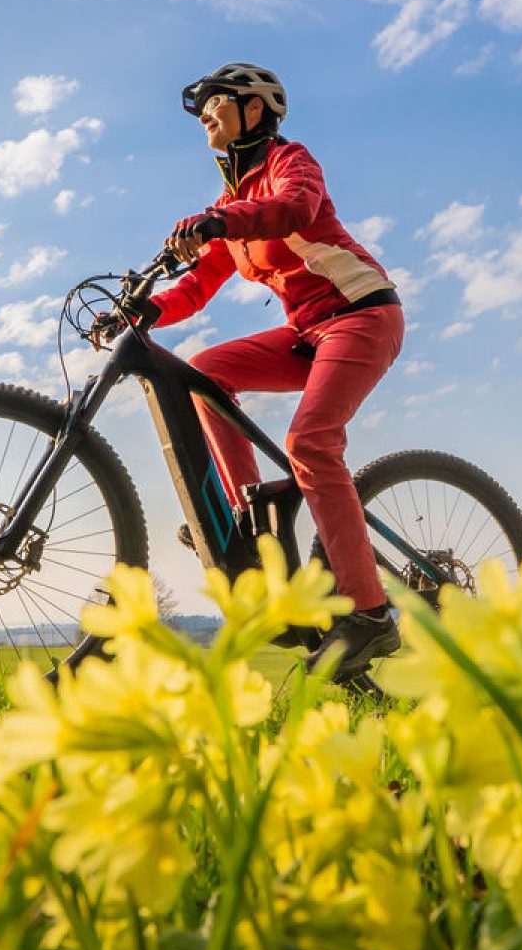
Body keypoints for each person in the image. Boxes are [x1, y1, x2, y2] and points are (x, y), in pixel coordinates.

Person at [147, 62, 405, 687]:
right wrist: (140, 310)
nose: (204, 116)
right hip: (305, 333)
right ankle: (251, 521)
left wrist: (222, 221)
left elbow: (294, 208)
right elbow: (196, 288)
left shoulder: (291, 162)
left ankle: (371, 615)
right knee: (206, 371)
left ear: (254, 109)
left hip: (360, 314)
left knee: (311, 442)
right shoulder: (228, 205)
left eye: (215, 103)